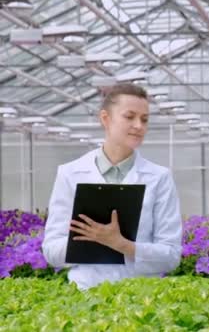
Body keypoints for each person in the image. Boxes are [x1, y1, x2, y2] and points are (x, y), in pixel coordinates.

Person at [42, 84, 182, 290]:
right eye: (130, 116)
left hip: (143, 299)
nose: (139, 126)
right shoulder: (70, 173)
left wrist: (122, 245)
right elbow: (51, 252)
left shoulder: (159, 178)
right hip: (85, 297)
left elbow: (171, 256)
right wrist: (91, 240)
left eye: (144, 119)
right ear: (105, 119)